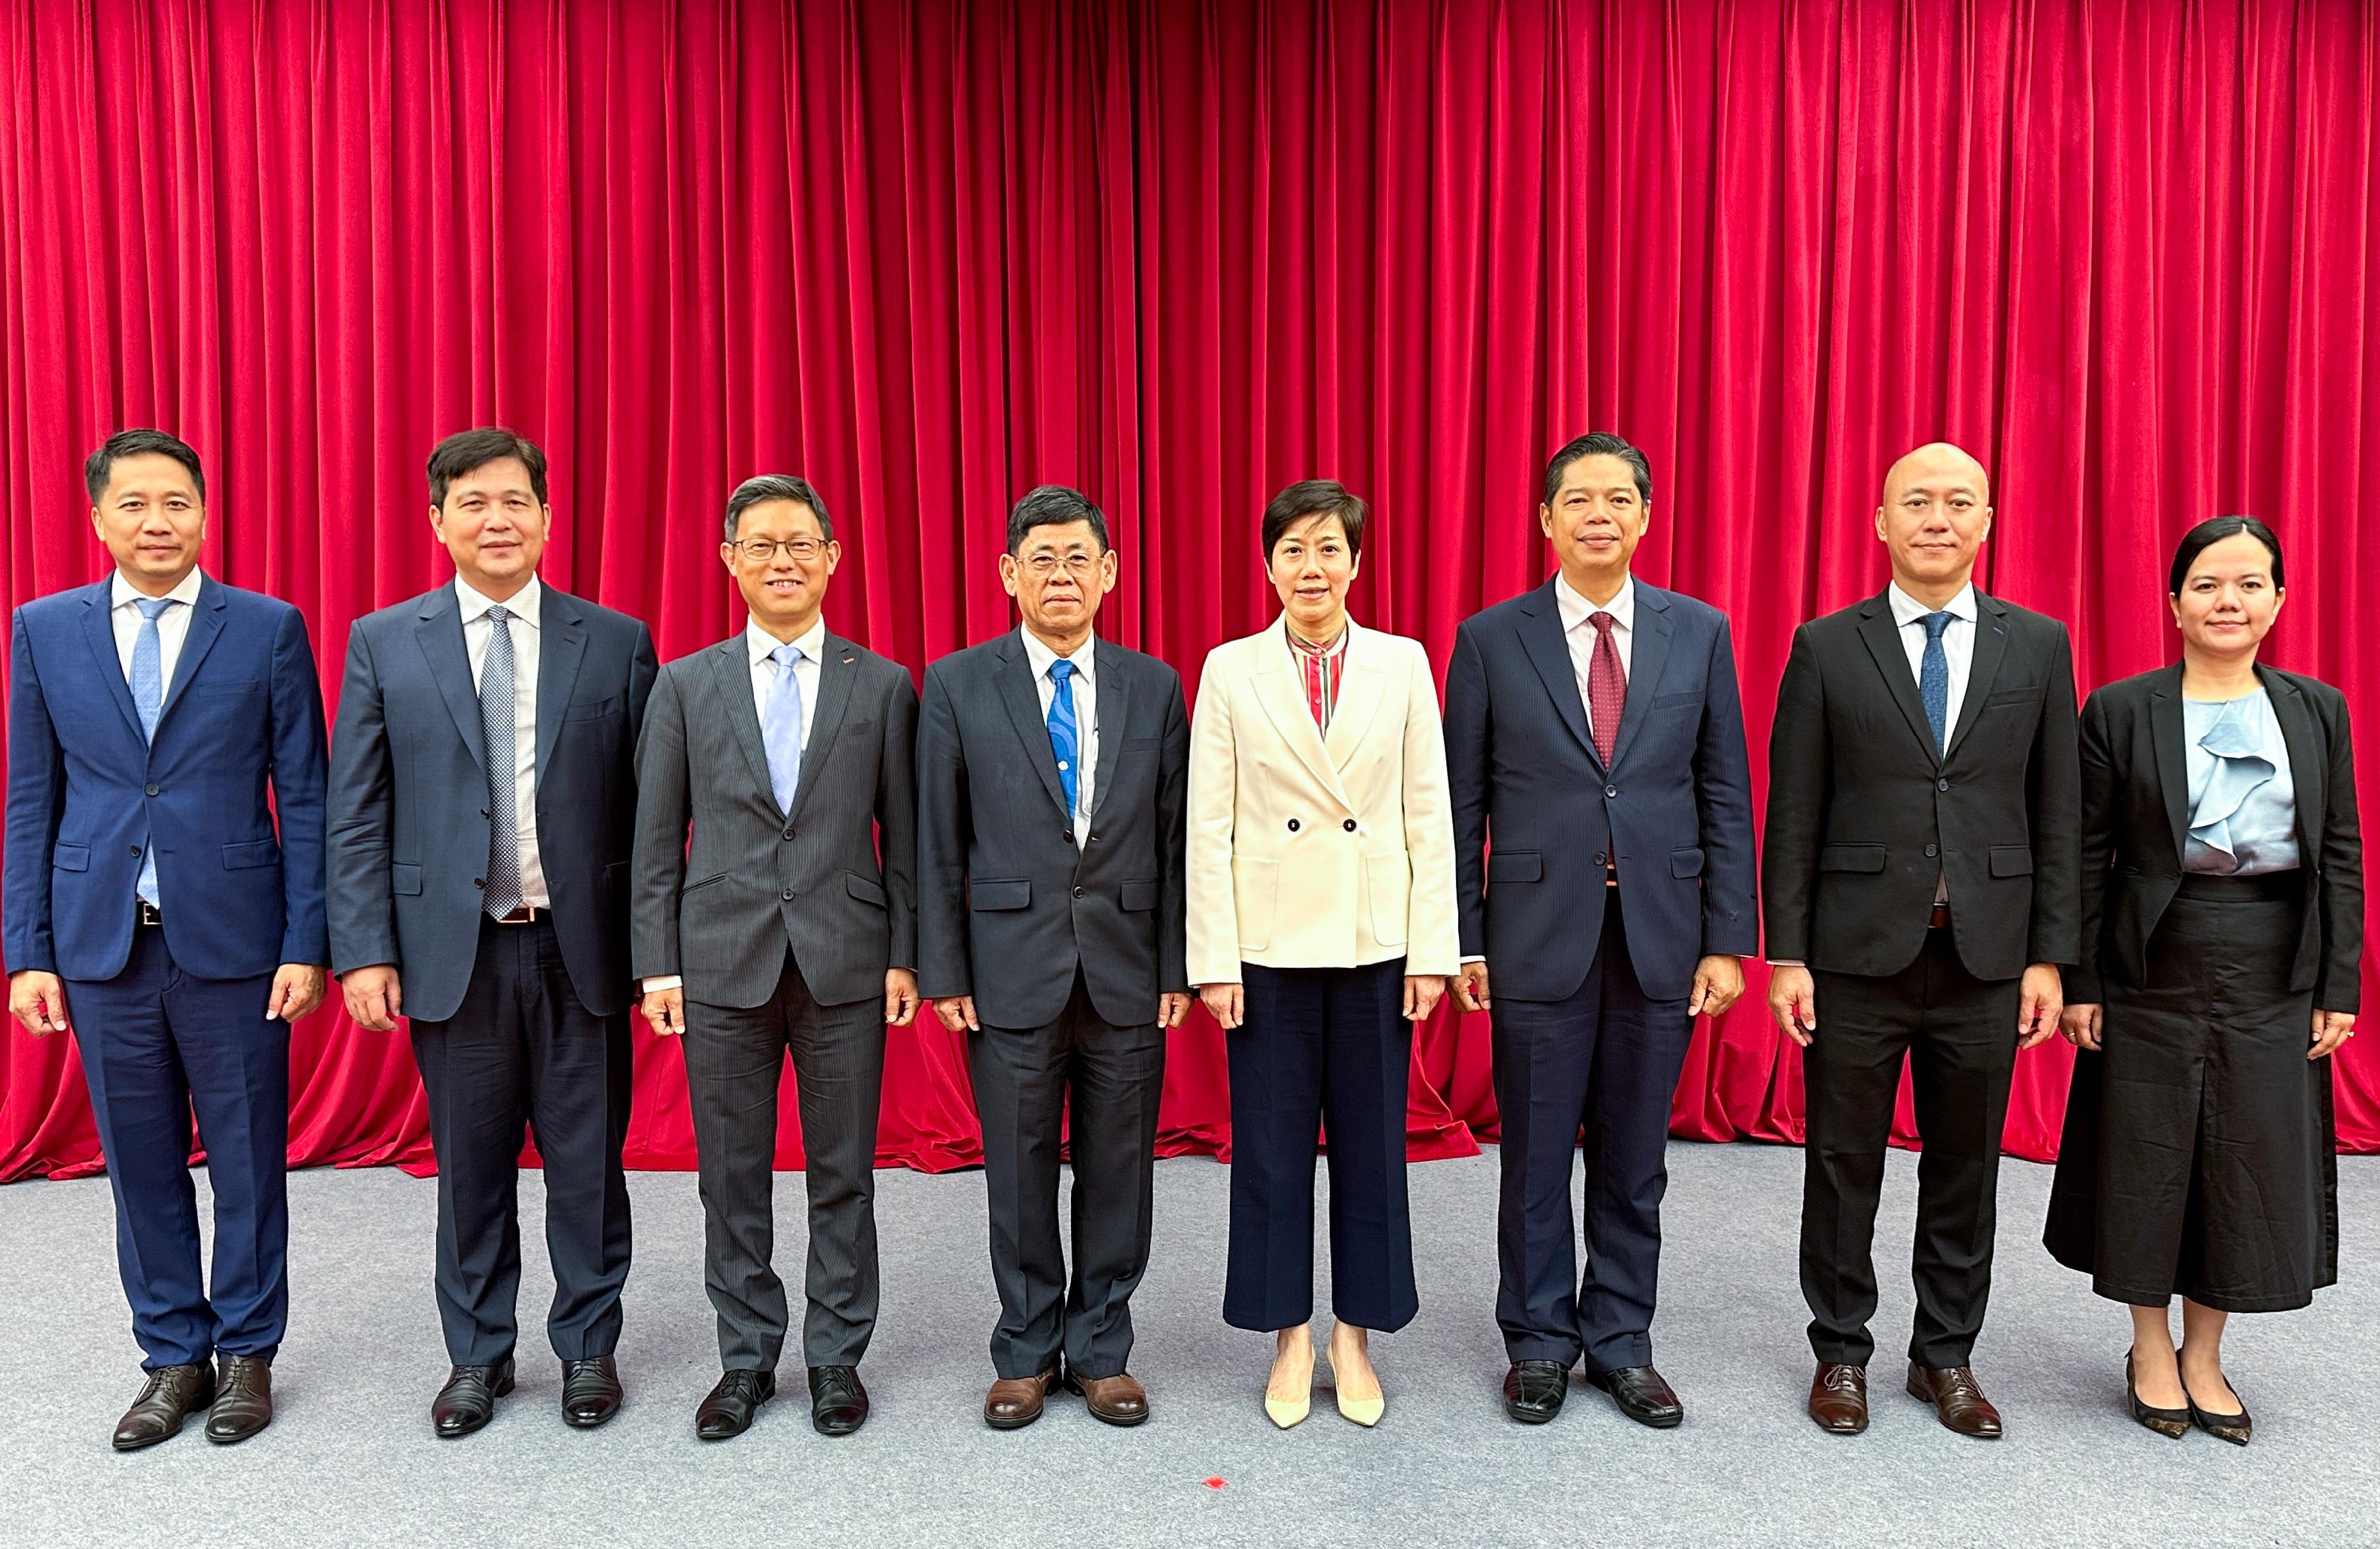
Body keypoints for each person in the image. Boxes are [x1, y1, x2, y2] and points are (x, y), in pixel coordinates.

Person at [328, 427, 656, 1438]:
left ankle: (588, 1350)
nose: (496, 519)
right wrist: (365, 948)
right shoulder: (385, 641)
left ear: (548, 518)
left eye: (515, 501)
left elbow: (653, 812)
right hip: (451, 948)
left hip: (580, 947)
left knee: (587, 1165)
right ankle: (478, 1356)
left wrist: (661, 951)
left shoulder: (613, 641)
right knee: (469, 1166)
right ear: (438, 522)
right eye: (472, 503)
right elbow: (356, 809)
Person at [5, 430, 328, 1450]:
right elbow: (30, 799)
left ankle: (246, 1353)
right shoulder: (44, 630)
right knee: (139, 1164)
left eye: (178, 502)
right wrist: (29, 951)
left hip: (237, 940)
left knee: (245, 1159)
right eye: (136, 504)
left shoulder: (267, 628)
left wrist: (306, 940)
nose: (159, 521)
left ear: (204, 512)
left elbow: (308, 797)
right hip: (103, 943)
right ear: (97, 518)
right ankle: (171, 1357)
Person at [1762, 442, 2080, 1440]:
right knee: (1842, 1160)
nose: (1937, 517)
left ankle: (1945, 1355)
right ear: (1881, 523)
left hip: (1988, 954)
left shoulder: (2038, 644)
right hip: (1855, 954)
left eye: (1959, 502)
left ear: (1986, 523)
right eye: (1917, 501)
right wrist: (1789, 953)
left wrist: (2048, 955)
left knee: (1965, 1167)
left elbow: (2058, 808)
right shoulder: (1826, 644)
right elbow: (1794, 811)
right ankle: (1841, 1353)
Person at [1445, 432, 1758, 1429]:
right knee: (1534, 1152)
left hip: (1661, 931)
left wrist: (1727, 938)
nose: (1597, 515)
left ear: (1645, 517)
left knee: (1634, 1156)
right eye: (1576, 499)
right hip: (1535, 930)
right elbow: (1461, 801)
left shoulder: (1697, 632)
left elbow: (1723, 791)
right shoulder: (1493, 638)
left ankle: (1622, 1341)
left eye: (1617, 498)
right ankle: (1538, 1341)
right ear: (1546, 520)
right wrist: (1464, 937)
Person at [2044, 517, 2360, 1446]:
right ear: (2173, 601)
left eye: (2251, 584)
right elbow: (2085, 854)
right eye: (2210, 585)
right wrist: (2083, 980)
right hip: (2151, 957)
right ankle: (2148, 1344)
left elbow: (2339, 852)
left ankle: (2205, 1352)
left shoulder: (2316, 709)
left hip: (2274, 959)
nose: (2230, 601)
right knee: (2146, 1152)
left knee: (2245, 1157)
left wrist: (2338, 982)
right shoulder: (2121, 707)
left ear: (2278, 601)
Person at [631, 474, 919, 1441]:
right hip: (720, 963)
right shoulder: (685, 684)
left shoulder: (881, 685)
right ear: (731, 562)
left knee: (846, 1172)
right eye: (761, 545)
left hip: (846, 958)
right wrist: (658, 966)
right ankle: (747, 1357)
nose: (782, 561)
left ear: (833, 558)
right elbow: (654, 835)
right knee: (732, 1173)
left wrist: (907, 955)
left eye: (800, 543)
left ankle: (837, 1357)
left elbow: (909, 838)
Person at [916, 484, 1192, 1431]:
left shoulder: (1154, 686)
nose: (1061, 575)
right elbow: (935, 843)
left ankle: (1103, 1348)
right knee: (1020, 1169)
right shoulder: (956, 684)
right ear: (1008, 575)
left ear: (1109, 573)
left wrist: (1174, 969)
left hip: (1125, 970)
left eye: (1080, 558)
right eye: (1042, 558)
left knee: (1120, 1167)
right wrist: (944, 970)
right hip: (1006, 970)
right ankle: (1026, 1352)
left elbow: (1175, 836)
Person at [1187, 478, 1459, 1429]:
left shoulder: (1404, 664)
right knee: (1268, 1147)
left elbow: (1430, 810)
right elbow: (1207, 823)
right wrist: (1213, 959)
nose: (1313, 567)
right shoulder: (1229, 670)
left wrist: (1433, 947)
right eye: (1294, 549)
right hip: (1266, 944)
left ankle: (1357, 1333)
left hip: (1374, 940)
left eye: (1330, 549)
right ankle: (1287, 1334)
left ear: (1356, 562)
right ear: (1269, 564)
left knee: (1375, 1148)